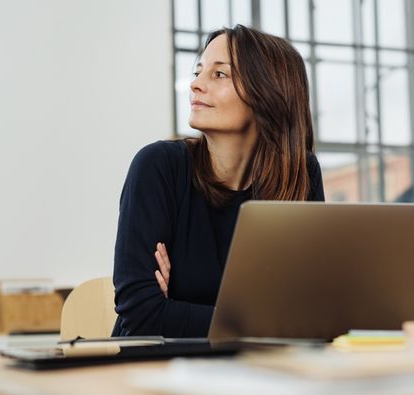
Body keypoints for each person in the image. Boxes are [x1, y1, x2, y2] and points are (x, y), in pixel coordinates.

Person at [112, 25, 325, 338]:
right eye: (199, 72)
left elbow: (312, 312)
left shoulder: (300, 174)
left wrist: (180, 310)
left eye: (219, 74)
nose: (196, 85)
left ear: (267, 93)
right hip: (154, 368)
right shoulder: (158, 166)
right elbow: (143, 314)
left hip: (257, 371)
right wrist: (263, 322)